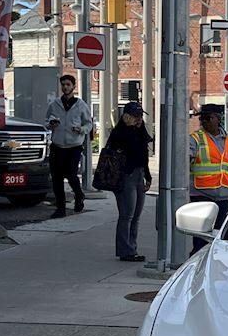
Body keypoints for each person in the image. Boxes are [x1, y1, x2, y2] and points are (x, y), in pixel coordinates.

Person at [189, 103, 228, 252]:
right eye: (201, 119)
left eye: (207, 118)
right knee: (200, 238)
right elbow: (184, 161)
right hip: (201, 195)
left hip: (224, 196)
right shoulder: (196, 139)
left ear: (217, 119)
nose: (203, 121)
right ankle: (197, 262)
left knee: (218, 237)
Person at [107, 102, 153, 262]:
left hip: (139, 174)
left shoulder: (140, 130)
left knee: (136, 216)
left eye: (140, 115)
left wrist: (148, 176)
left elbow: (144, 155)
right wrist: (128, 128)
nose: (138, 119)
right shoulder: (120, 133)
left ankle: (132, 248)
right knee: (126, 215)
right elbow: (121, 150)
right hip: (125, 176)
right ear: (126, 116)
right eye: (135, 116)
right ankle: (125, 250)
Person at [46, 74, 95, 218]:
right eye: (63, 85)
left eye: (68, 84)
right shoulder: (54, 104)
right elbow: (46, 121)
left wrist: (82, 129)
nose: (65, 87)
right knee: (56, 178)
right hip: (57, 146)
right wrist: (51, 124)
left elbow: (89, 123)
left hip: (73, 147)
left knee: (71, 174)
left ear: (73, 86)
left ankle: (79, 195)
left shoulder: (81, 105)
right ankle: (60, 208)